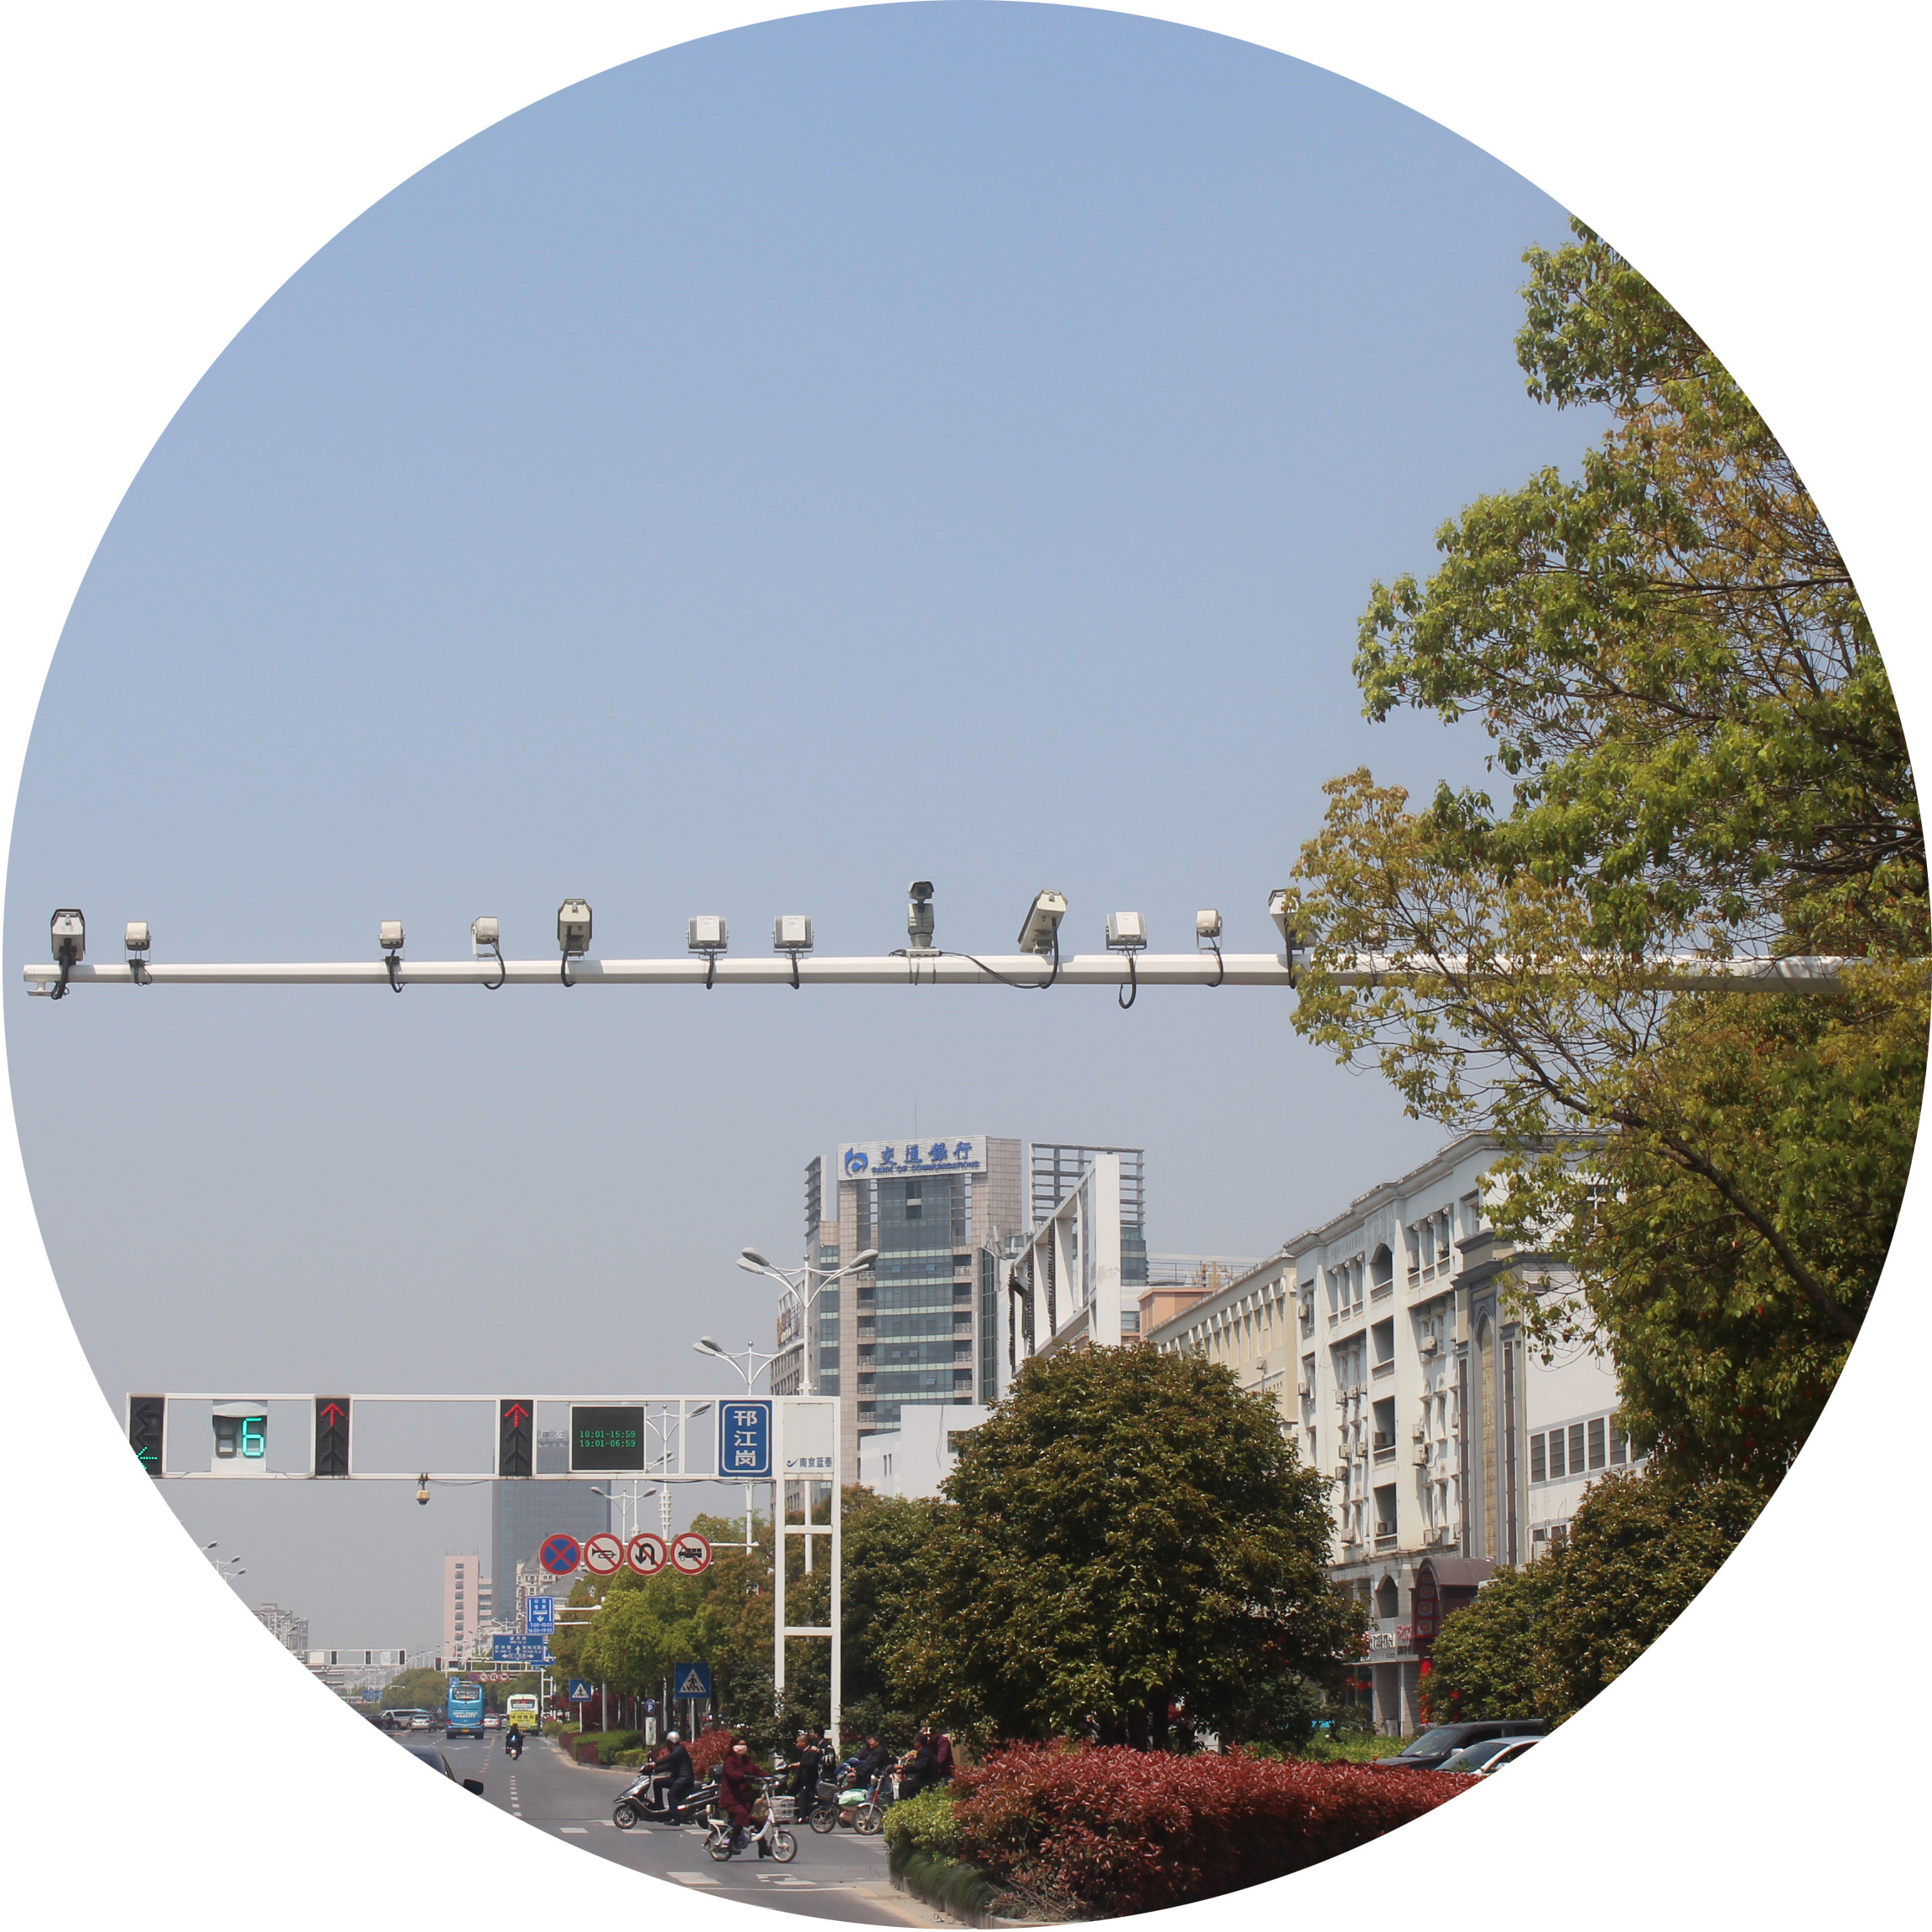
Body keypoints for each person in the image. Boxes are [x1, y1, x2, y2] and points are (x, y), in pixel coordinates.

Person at [717, 1734, 767, 1857]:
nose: (742, 1747)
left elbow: (757, 1771)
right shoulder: (729, 1761)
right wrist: (744, 1777)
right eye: (739, 1745)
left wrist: (770, 1777)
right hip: (732, 1798)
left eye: (744, 1745)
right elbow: (732, 1774)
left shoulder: (747, 1761)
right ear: (733, 1746)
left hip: (745, 1798)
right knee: (742, 1814)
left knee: (758, 1818)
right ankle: (732, 1843)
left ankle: (763, 1847)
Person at [657, 1731, 694, 1819]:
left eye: (668, 1743)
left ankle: (675, 1818)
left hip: (684, 1779)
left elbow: (669, 1759)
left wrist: (656, 1763)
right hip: (678, 1778)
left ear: (671, 1743)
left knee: (671, 1794)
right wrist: (655, 1770)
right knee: (657, 1783)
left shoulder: (679, 1750)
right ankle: (659, 1806)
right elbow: (670, 1765)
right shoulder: (676, 1751)